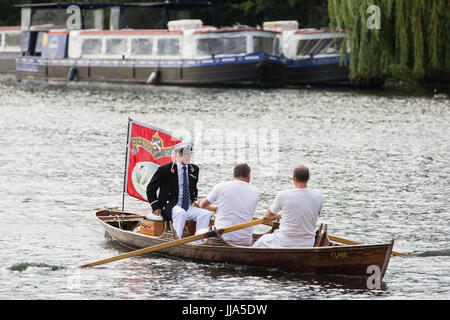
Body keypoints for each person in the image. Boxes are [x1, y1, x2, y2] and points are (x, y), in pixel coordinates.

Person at [146, 142, 212, 238]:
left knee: (205, 214)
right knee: (181, 213)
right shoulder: (164, 170)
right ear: (178, 155)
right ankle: (176, 241)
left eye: (189, 153)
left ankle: (199, 242)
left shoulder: (194, 169)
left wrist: (194, 200)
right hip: (170, 206)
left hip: (188, 206)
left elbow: (193, 188)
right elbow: (150, 189)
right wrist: (155, 207)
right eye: (185, 154)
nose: (187, 156)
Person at [253, 165, 323, 248]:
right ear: (308, 178)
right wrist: (285, 214)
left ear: (293, 178)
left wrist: (277, 216)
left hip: (285, 242)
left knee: (260, 241)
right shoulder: (318, 195)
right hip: (308, 243)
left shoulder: (283, 195)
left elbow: (267, 217)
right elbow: (316, 214)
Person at [199, 163, 259, 246]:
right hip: (245, 240)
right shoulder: (255, 192)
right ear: (248, 176)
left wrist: (200, 203)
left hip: (222, 236)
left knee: (199, 232)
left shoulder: (221, 186)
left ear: (234, 174)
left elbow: (202, 205)